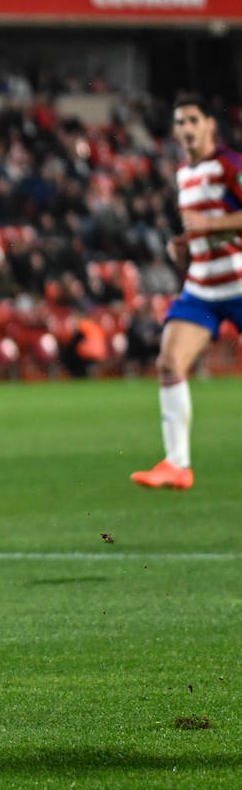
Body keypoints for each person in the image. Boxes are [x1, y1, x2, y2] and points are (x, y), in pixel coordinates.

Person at [131, 93, 242, 491]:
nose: (186, 129)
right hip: (203, 287)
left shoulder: (230, 166)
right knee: (168, 363)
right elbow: (205, 227)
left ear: (211, 124)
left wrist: (208, 229)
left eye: (193, 120)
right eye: (180, 123)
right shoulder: (184, 175)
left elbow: (216, 223)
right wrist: (185, 244)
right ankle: (177, 465)